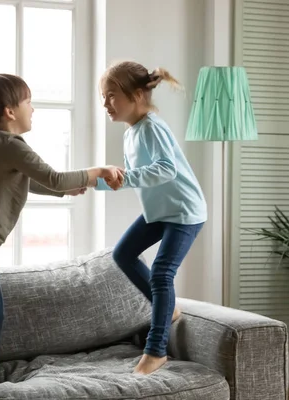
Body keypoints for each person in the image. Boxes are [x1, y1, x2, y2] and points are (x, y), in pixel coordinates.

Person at [0, 73, 123, 400]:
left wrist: (67, 190)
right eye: (28, 102)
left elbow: (31, 181)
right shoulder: (8, 144)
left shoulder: (3, 147)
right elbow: (52, 176)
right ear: (9, 111)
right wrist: (98, 172)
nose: (33, 109)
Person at [95, 61, 207, 375]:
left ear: (137, 95)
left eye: (111, 96)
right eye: (104, 97)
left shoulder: (152, 126)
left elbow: (165, 170)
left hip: (184, 211)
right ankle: (168, 308)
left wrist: (123, 177)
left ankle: (155, 351)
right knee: (123, 253)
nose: (106, 103)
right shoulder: (131, 132)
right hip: (160, 211)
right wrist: (91, 183)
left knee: (161, 273)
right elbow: (130, 177)